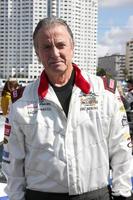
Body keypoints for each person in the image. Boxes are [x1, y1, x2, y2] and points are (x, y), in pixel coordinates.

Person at [2, 17, 132, 200]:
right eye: (46, 47)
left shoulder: (105, 92)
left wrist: (123, 194)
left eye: (61, 45)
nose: (54, 53)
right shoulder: (21, 101)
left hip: (96, 195)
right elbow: (13, 162)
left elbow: (121, 150)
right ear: (37, 53)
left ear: (72, 46)